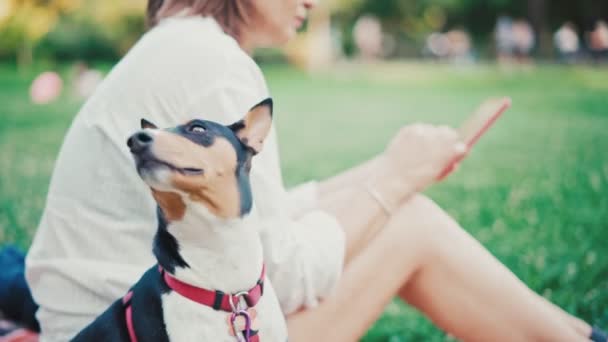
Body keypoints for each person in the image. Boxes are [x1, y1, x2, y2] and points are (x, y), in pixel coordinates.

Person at [15, 0, 606, 341]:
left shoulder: (185, 44)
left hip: (111, 320)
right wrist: (395, 181)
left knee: (404, 211)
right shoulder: (212, 60)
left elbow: (254, 224)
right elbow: (281, 273)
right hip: (159, 327)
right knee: (412, 227)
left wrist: (393, 168)